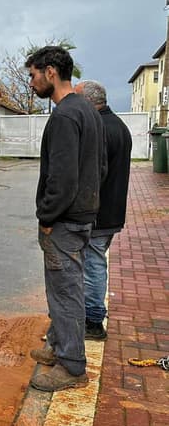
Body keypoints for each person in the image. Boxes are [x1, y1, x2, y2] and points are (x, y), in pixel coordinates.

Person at [26, 46, 106, 392]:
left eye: (32, 75)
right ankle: (58, 347)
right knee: (68, 287)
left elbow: (62, 178)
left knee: (65, 293)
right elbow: (100, 167)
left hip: (65, 221)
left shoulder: (64, 116)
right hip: (83, 216)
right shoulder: (87, 110)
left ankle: (72, 367)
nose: (31, 82)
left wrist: (47, 216)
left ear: (50, 72)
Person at [74, 80, 132, 341]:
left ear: (88, 101)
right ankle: (91, 315)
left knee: (93, 265)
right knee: (95, 263)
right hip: (112, 211)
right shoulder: (118, 125)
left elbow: (94, 176)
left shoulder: (100, 129)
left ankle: (94, 321)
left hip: (99, 213)